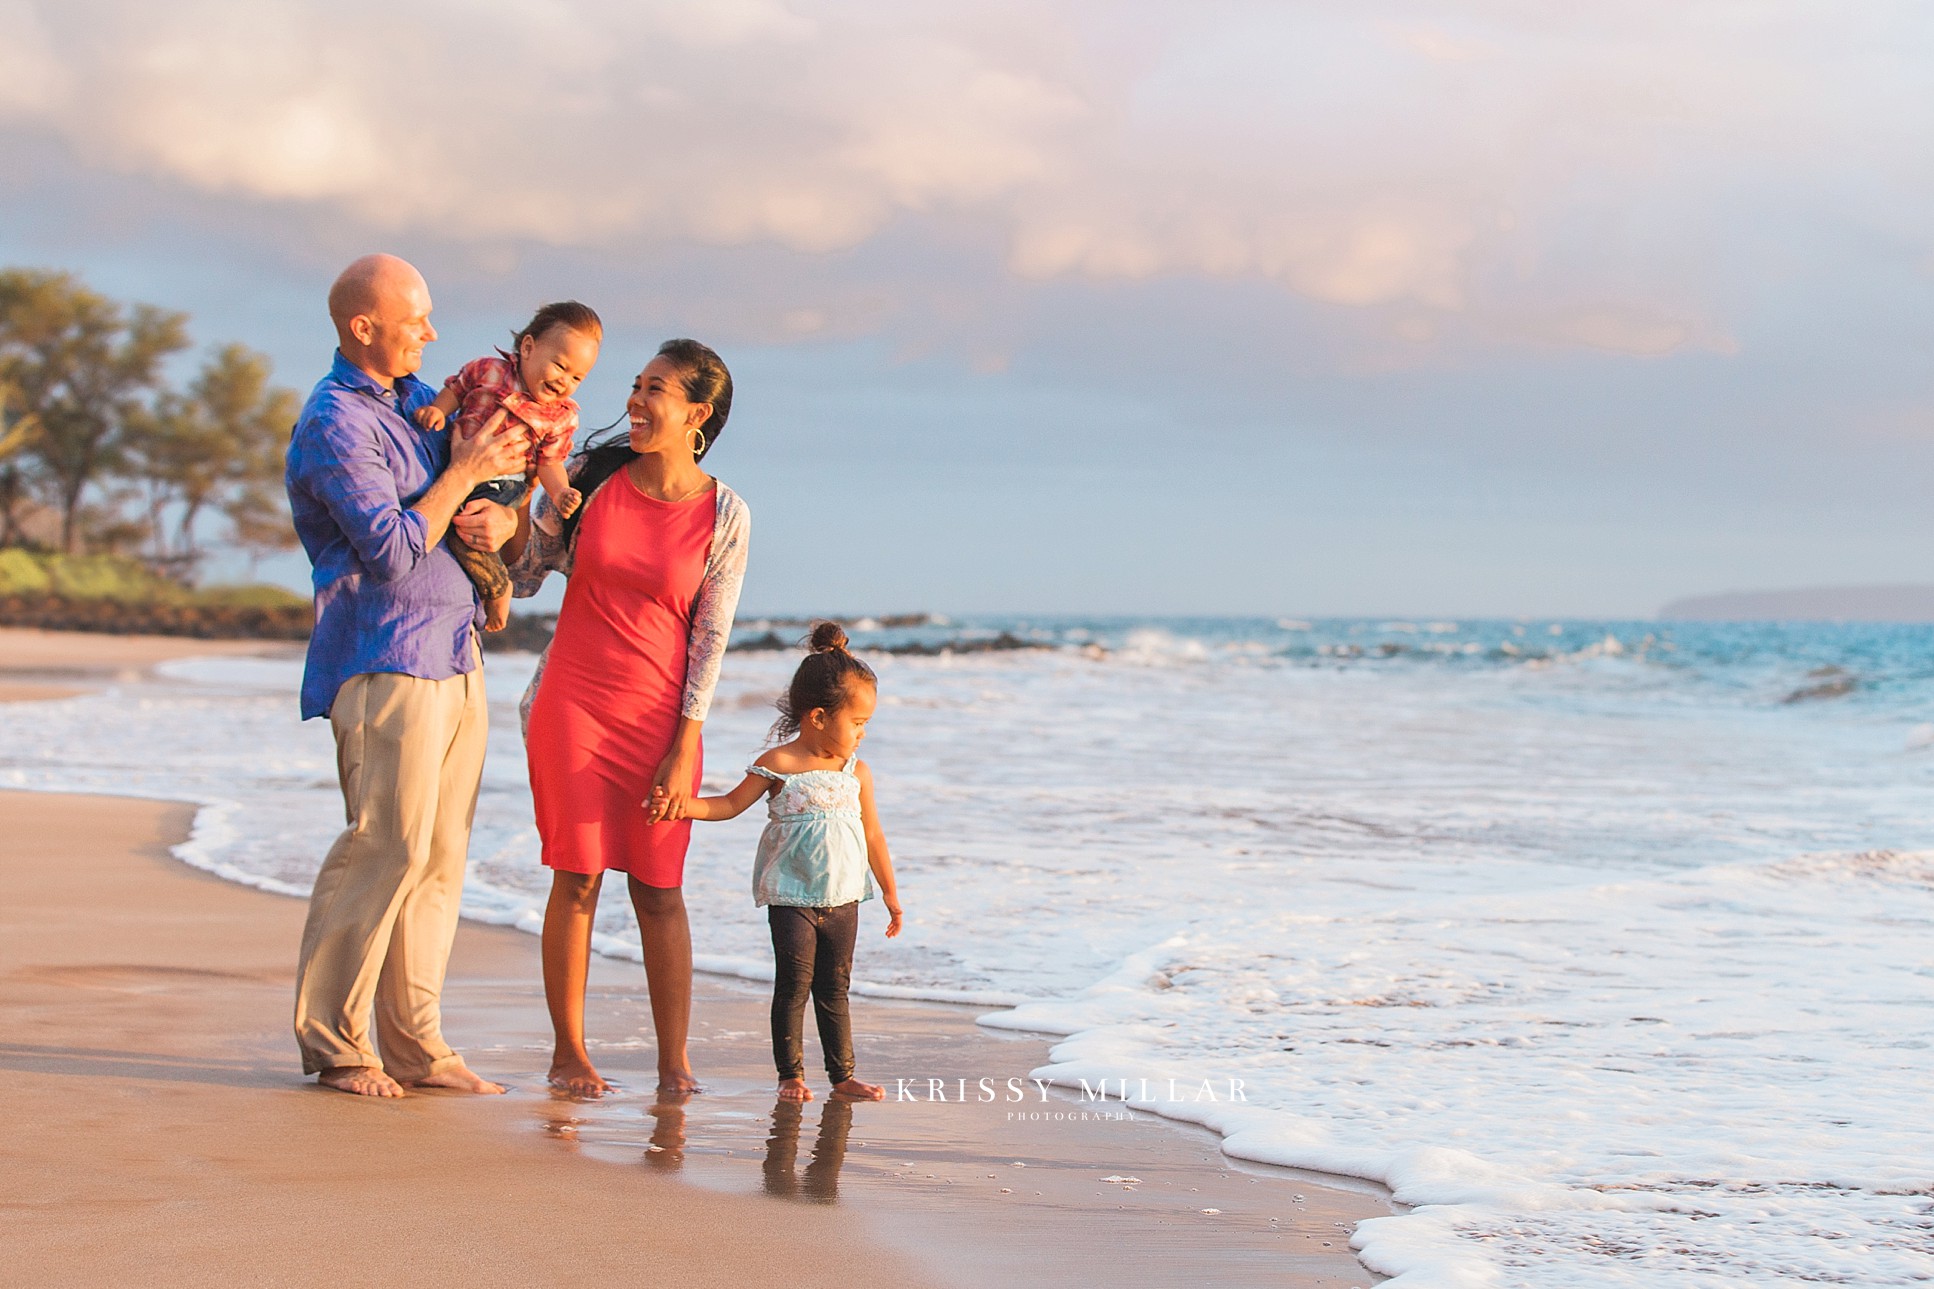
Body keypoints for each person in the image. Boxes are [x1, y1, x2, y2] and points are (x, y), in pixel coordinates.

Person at [284, 253, 527, 1098]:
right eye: (415, 316)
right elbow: (389, 551)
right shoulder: (334, 421)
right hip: (385, 654)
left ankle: (417, 1042)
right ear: (363, 326)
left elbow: (463, 518)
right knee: (383, 844)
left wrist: (502, 513)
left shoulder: (417, 414)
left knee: (440, 857)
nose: (431, 330)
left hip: (456, 653)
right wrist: (458, 472)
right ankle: (337, 1043)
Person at [503, 339, 749, 1097]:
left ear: (697, 414)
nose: (636, 402)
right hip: (571, 704)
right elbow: (527, 572)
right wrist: (517, 501)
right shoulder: (590, 473)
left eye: (658, 391)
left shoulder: (726, 514)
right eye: (637, 386)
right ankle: (568, 1052)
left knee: (658, 887)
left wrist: (687, 745)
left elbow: (710, 640)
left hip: (658, 724)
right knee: (575, 878)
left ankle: (674, 1062)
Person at [656, 622, 904, 1104]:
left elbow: (873, 834)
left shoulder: (857, 773)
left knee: (835, 990)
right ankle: (790, 1075)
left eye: (865, 725)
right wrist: (682, 805)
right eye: (856, 723)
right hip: (792, 898)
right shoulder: (779, 764)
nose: (862, 734)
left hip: (845, 899)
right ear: (817, 717)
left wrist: (891, 894)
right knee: (793, 986)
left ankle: (843, 1075)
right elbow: (727, 806)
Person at [413, 301, 602, 631]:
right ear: (528, 347)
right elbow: (456, 388)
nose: (565, 381)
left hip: (505, 482)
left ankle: (497, 587)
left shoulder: (560, 416)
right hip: (458, 467)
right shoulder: (488, 370)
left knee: (466, 531)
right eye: (559, 365)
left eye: (577, 377)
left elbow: (550, 461)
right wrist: (438, 411)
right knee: (450, 520)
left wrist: (560, 493)